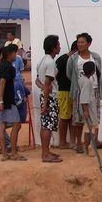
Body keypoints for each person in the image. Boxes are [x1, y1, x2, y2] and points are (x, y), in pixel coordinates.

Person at [66, 33, 102, 152]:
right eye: (78, 42)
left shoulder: (96, 57)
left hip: (95, 91)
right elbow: (69, 74)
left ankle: (93, 143)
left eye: (82, 42)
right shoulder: (73, 59)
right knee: (78, 119)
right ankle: (79, 144)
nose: (79, 44)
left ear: (88, 44)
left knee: (95, 117)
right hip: (79, 91)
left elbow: (98, 73)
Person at [0, 44, 26, 160]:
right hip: (7, 101)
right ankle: (13, 152)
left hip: (0, 101)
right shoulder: (9, 68)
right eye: (15, 53)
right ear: (10, 54)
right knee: (17, 125)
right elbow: (2, 82)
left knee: (1, 125)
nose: (16, 55)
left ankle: (4, 154)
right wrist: (2, 100)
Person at [37, 35, 62, 163]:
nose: (60, 47)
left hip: (45, 96)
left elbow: (37, 81)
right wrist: (46, 102)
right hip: (49, 98)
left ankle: (45, 151)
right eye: (58, 45)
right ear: (53, 47)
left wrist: (44, 89)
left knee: (45, 125)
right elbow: (47, 83)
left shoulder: (42, 61)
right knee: (48, 126)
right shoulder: (51, 63)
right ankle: (45, 155)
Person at [56, 40, 77, 149]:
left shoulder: (72, 59)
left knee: (72, 117)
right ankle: (62, 142)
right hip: (64, 91)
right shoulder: (62, 60)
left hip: (72, 91)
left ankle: (72, 141)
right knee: (64, 117)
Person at [79, 61, 100, 156]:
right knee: (92, 128)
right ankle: (90, 148)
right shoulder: (87, 82)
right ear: (92, 71)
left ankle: (87, 148)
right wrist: (86, 110)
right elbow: (84, 98)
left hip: (88, 108)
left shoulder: (82, 79)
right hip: (89, 109)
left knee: (88, 128)